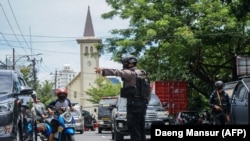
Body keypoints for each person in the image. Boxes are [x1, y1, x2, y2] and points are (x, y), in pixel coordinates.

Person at [95, 55, 147, 141]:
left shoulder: (130, 73)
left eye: (124, 63)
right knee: (141, 128)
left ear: (129, 64)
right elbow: (148, 91)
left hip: (134, 105)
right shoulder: (142, 73)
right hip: (142, 104)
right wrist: (145, 102)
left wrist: (103, 70)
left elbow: (117, 72)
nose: (123, 65)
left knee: (134, 128)